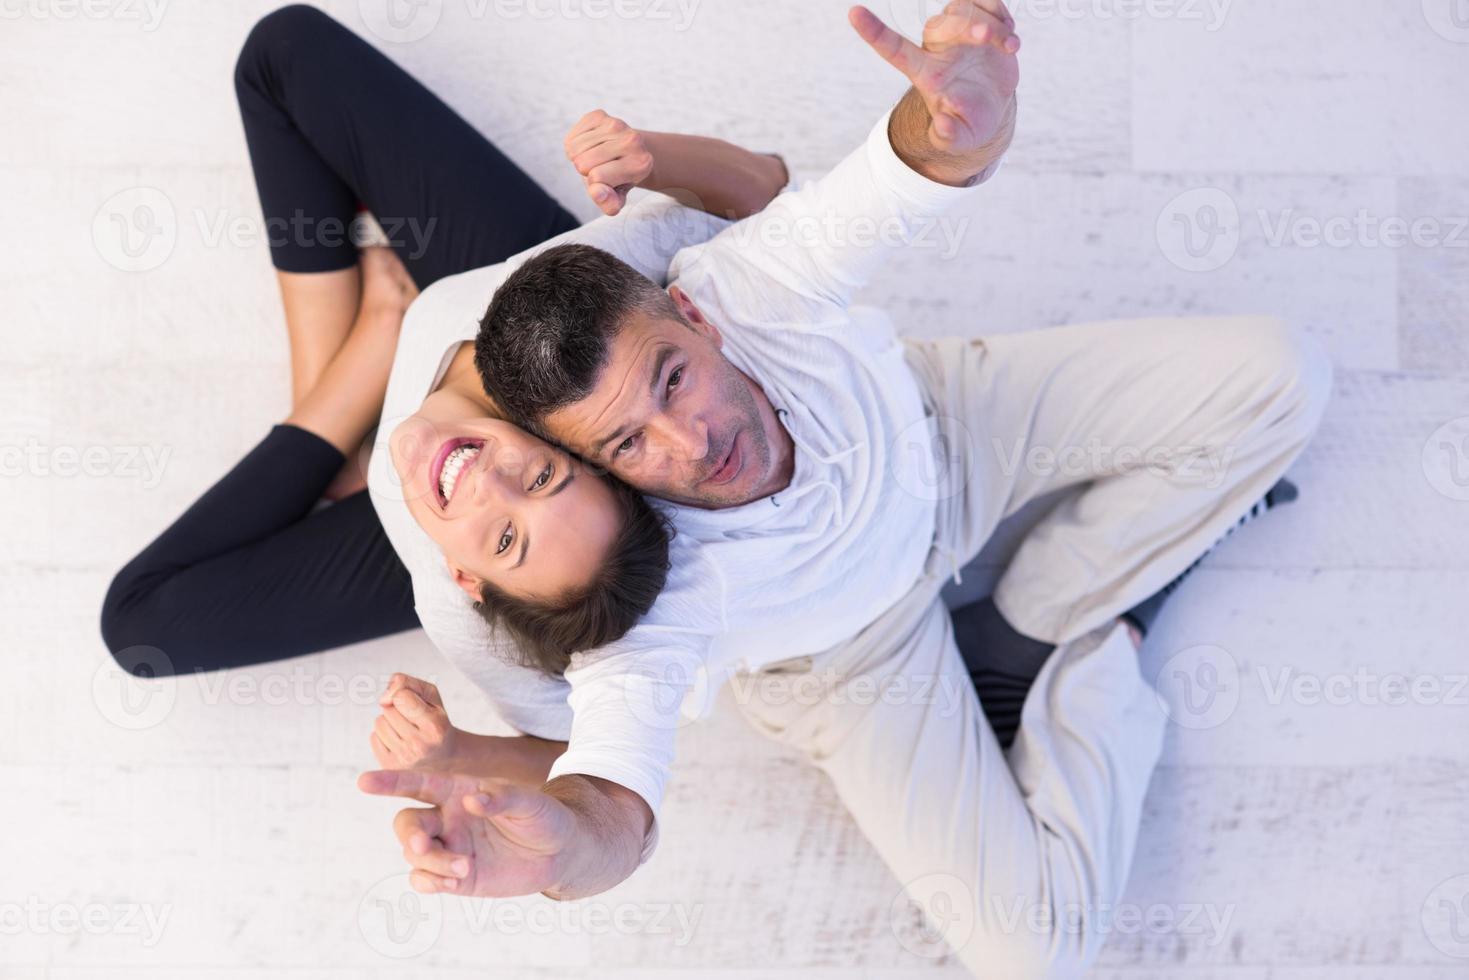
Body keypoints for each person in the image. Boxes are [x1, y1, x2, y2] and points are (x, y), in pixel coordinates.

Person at [361, 3, 1332, 977]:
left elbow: (900, 173)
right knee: (1039, 948)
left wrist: (963, 120)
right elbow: (617, 792)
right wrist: (568, 850)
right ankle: (1099, 650)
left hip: (947, 427)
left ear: (695, 314)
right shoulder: (652, 596)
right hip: (855, 654)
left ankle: (1033, 614)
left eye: (672, 379)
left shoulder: (750, 284)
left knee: (1282, 376)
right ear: (600, 471)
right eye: (628, 443)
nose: (690, 440)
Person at [98, 5, 789, 677]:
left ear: (464, 579)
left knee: (139, 631)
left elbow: (140, 621)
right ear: (565, 442)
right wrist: (655, 157)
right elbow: (768, 199)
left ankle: (365, 365)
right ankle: (356, 391)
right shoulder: (557, 321)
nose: (492, 484)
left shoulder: (461, 564)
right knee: (285, 49)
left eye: (508, 534)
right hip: (494, 290)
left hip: (458, 537)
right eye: (542, 475)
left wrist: (368, 349)